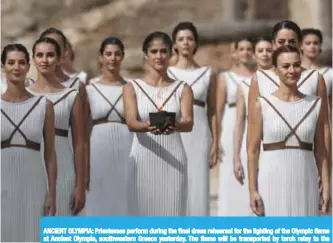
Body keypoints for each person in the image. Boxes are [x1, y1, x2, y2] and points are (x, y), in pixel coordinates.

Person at [247, 45, 330, 216]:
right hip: (271, 179)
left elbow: (321, 151)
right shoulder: (262, 104)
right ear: (275, 70)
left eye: (296, 65)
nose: (292, 70)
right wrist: (253, 190)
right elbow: (252, 151)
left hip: (306, 179)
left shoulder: (315, 103)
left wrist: (327, 187)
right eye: (286, 66)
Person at [123, 31, 194, 216]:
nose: (159, 56)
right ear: (145, 55)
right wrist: (149, 126)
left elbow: (189, 122)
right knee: (142, 213)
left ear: (171, 54)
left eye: (164, 51)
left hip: (174, 157)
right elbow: (131, 122)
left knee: (173, 212)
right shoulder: (132, 87)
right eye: (154, 51)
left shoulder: (183, 88)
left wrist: (175, 125)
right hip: (143, 157)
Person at [1, 44, 56, 241]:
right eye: (11, 62)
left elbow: (50, 154)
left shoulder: (44, 106)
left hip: (34, 186)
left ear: (28, 66)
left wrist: (52, 194)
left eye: (21, 62)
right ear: (3, 66)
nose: (16, 67)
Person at [27, 37, 85, 216]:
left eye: (50, 55)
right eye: (40, 55)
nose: (45, 60)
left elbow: (79, 143)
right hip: (31, 163)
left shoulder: (71, 96)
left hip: (63, 164)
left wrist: (80, 185)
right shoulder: (24, 95)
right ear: (33, 59)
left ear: (60, 59)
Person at [167, 21, 218, 216]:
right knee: (175, 185)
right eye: (181, 39)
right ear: (175, 44)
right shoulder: (169, 73)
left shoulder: (207, 73)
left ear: (195, 43)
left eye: (189, 39)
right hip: (175, 132)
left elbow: (213, 112)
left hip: (200, 134)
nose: (185, 43)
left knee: (197, 186)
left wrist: (214, 142)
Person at [85, 37, 134, 216]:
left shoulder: (131, 87)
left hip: (126, 146)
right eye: (108, 54)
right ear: (101, 57)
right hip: (98, 146)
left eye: (117, 54)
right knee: (99, 196)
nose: (112, 58)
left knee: (124, 197)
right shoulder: (90, 89)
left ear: (122, 57)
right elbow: (84, 128)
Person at [39, 27, 90, 191]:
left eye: (55, 47)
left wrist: (82, 179)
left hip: (65, 153)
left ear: (63, 52)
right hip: (36, 156)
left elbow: (82, 138)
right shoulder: (29, 87)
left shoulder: (76, 87)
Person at [232, 36, 273, 216]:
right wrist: (236, 157)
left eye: (268, 50)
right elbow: (240, 123)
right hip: (252, 148)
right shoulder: (245, 85)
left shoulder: (284, 83)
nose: (265, 54)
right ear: (254, 56)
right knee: (256, 199)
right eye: (260, 51)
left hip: (274, 147)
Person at [216, 37, 255, 216]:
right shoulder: (225, 77)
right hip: (230, 125)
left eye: (249, 49)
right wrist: (215, 140)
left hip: (253, 123)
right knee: (231, 173)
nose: (246, 52)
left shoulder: (258, 76)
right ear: (236, 53)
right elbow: (217, 111)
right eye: (242, 49)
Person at [301, 28, 332, 112]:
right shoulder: (294, 72)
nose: (312, 46)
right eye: (308, 43)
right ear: (301, 46)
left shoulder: (329, 73)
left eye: (315, 43)